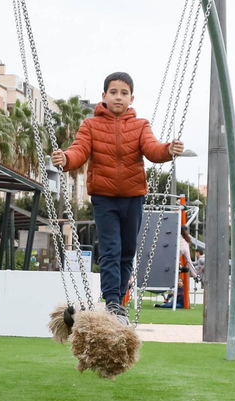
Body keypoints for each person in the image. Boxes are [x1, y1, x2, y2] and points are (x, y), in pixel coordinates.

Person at [53, 71, 182, 323]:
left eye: (124, 93)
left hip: (133, 197)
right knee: (111, 249)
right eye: (113, 92)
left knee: (127, 252)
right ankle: (112, 300)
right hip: (104, 197)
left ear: (131, 98)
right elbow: (79, 150)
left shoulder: (140, 125)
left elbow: (152, 149)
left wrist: (168, 149)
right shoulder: (90, 125)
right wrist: (66, 159)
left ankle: (118, 302)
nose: (118, 97)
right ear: (104, 96)